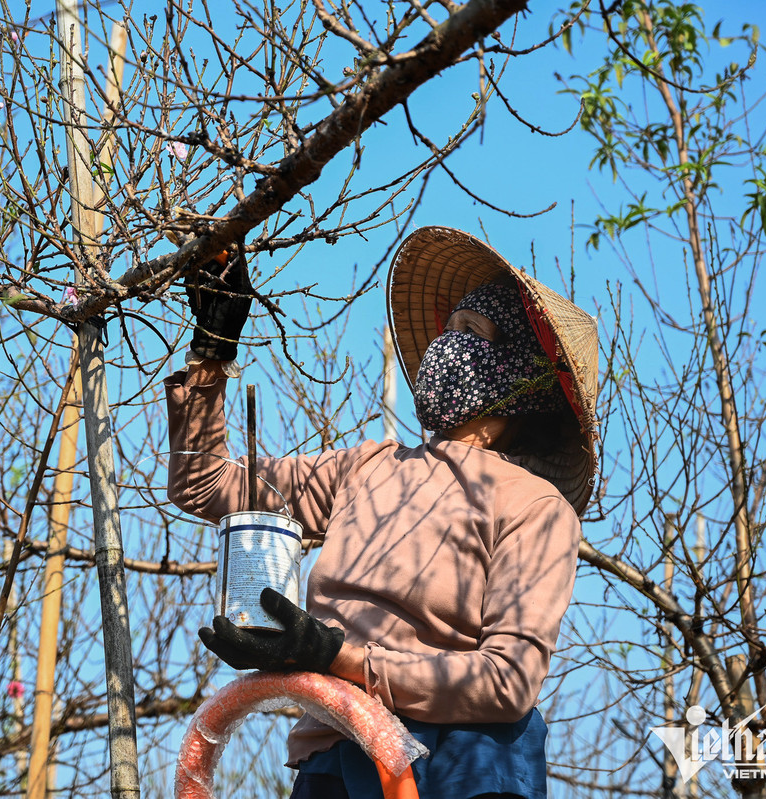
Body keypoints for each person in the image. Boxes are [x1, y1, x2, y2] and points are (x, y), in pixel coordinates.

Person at [166, 226, 600, 799]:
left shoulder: (534, 506)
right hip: (333, 755)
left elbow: (508, 680)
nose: (447, 346)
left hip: (460, 765)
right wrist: (211, 351)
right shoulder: (368, 468)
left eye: (470, 333)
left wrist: (336, 657)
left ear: (517, 372)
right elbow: (204, 482)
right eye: (448, 329)